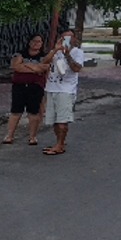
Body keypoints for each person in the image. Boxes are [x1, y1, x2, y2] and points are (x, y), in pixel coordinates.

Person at [40, 27, 84, 155]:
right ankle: (59, 142)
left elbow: (76, 68)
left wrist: (67, 54)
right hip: (51, 88)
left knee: (62, 120)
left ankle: (60, 145)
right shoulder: (56, 51)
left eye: (70, 37)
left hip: (66, 90)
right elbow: (44, 62)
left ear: (74, 39)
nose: (67, 40)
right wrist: (55, 50)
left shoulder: (77, 52)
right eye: (64, 37)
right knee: (54, 119)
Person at [2, 33, 48, 145]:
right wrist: (34, 68)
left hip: (35, 86)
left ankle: (32, 137)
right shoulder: (19, 54)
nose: (36, 43)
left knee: (33, 112)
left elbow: (42, 69)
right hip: (19, 86)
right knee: (16, 111)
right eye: (34, 41)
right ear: (29, 42)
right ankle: (9, 135)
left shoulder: (44, 56)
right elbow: (16, 67)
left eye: (39, 41)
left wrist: (26, 64)